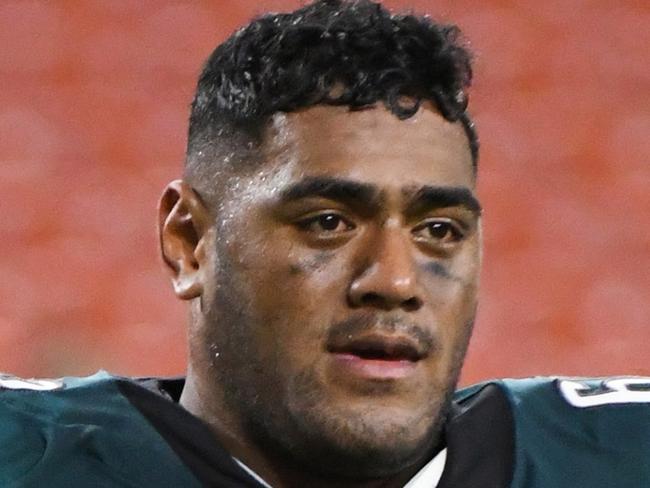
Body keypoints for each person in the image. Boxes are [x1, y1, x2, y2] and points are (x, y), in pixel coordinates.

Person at [1, 1, 650, 487]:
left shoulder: (611, 454)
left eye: (439, 231)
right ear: (189, 241)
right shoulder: (32, 455)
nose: (395, 281)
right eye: (329, 223)